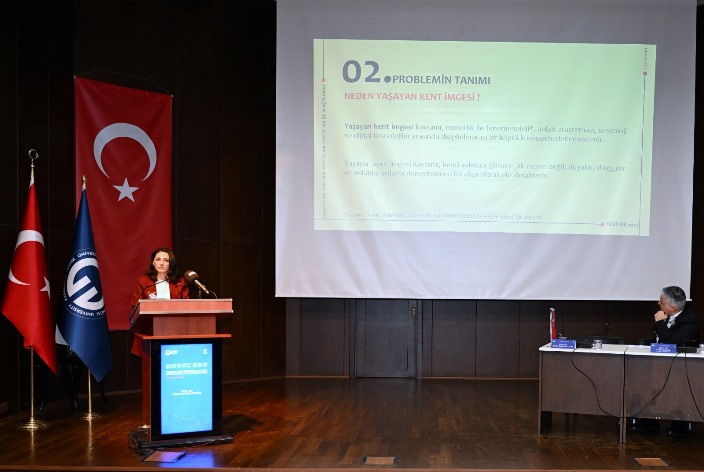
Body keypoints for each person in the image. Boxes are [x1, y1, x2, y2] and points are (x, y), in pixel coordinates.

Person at [632, 286, 700, 437]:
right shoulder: (667, 315)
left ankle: (680, 425)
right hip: (658, 365)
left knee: (676, 387)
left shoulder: (689, 321)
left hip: (681, 369)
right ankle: (648, 422)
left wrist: (659, 323)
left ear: (673, 307)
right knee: (643, 379)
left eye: (661, 302)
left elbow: (671, 343)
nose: (658, 303)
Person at [129, 247, 189, 355]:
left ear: (171, 263)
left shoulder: (180, 282)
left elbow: (186, 307)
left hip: (174, 330)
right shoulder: (143, 281)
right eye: (158, 259)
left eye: (166, 260)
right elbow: (135, 308)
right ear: (153, 262)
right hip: (149, 331)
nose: (161, 263)